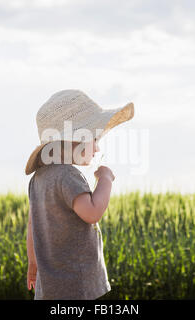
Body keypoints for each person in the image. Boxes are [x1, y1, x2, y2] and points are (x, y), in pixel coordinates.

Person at [25, 89, 134, 299]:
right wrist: (105, 179)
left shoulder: (38, 180)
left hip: (49, 286)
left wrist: (32, 263)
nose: (97, 148)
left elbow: (32, 224)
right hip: (76, 285)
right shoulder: (68, 175)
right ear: (74, 139)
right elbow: (92, 212)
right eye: (94, 138)